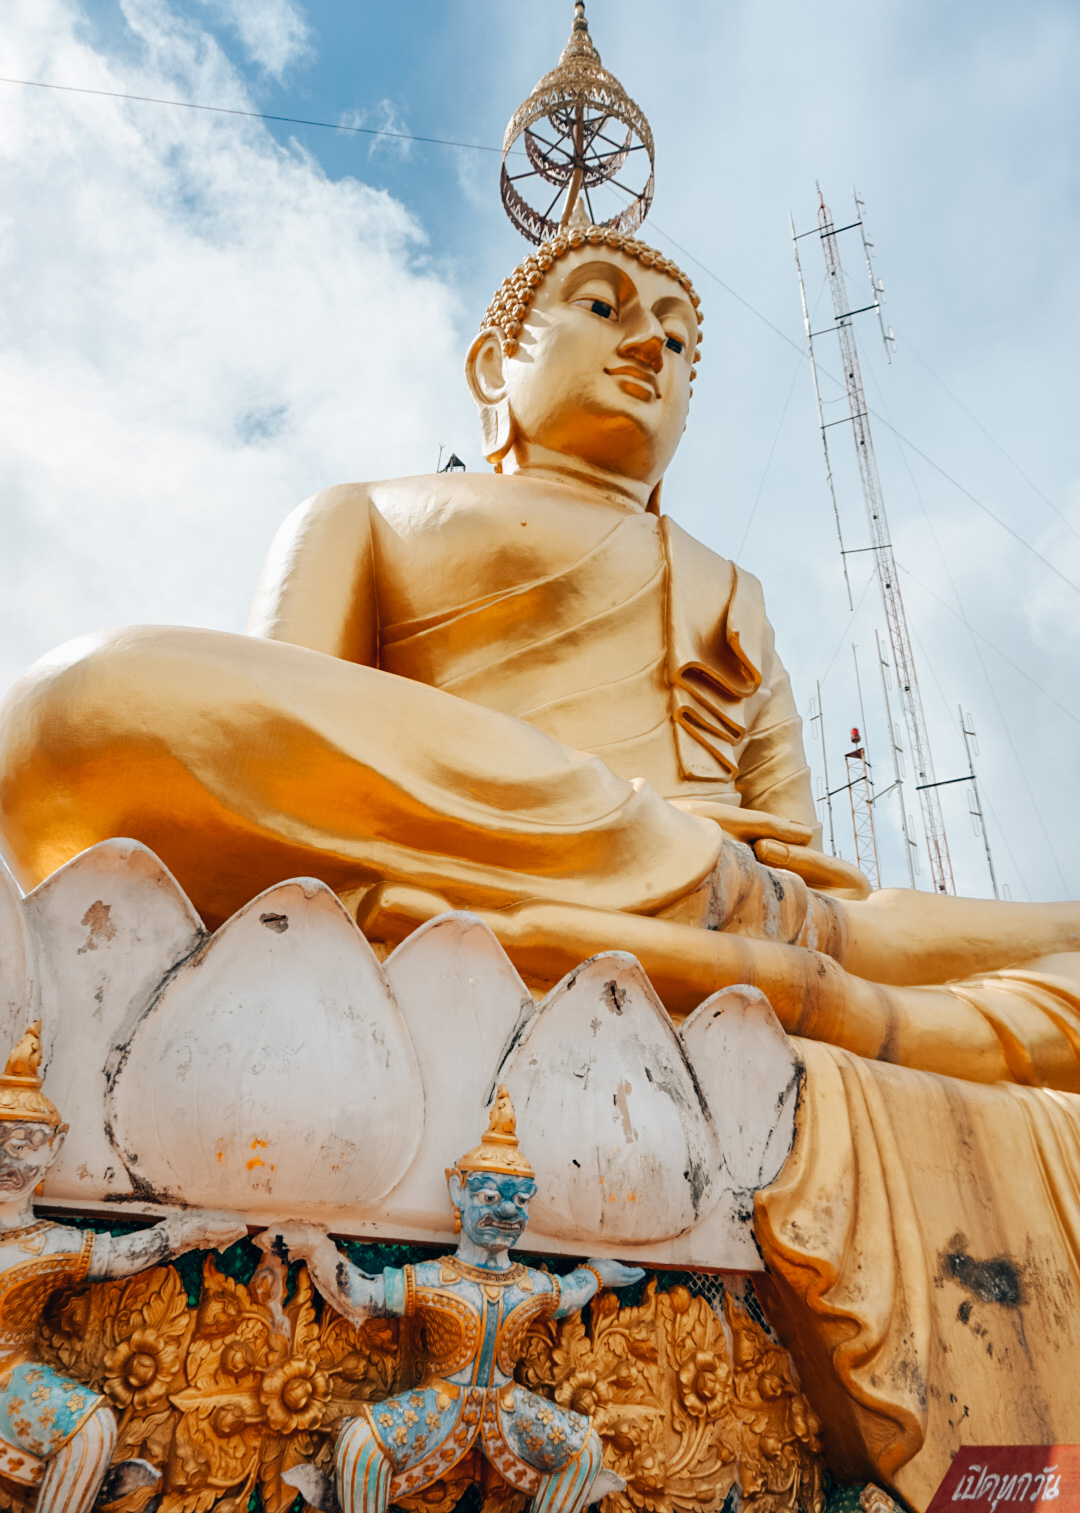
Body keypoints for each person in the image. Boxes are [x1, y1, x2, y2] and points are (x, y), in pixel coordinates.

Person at [2, 224, 1079, 1086]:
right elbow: (300, 752)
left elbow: (809, 877)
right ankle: (760, 956)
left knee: (809, 914)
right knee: (82, 708)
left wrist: (734, 883)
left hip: (735, 892)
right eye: (604, 306)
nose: (648, 345)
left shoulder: (733, 589)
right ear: (493, 364)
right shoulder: (368, 512)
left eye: (679, 342)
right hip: (495, 831)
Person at [260, 1086, 642, 1513]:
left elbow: (566, 1295)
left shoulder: (527, 1284)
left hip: (509, 1405)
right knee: (358, 1442)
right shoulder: (437, 1279)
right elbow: (363, 1294)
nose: (506, 1213)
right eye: (488, 1197)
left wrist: (597, 1273)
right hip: (439, 1405)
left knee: (585, 1447)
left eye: (520, 1201)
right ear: (457, 1191)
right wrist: (314, 1248)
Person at [0, 1024, 247, 1513]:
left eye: (24, 1144)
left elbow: (119, 1254)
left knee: (90, 1423)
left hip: (10, 1374)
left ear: (54, 1147)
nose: (8, 1157)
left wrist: (187, 1233)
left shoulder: (51, 1244)